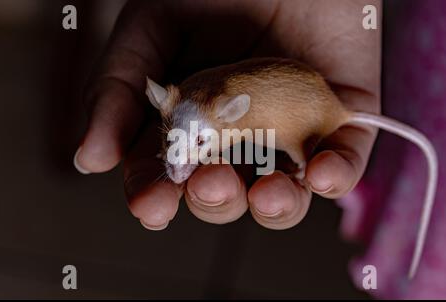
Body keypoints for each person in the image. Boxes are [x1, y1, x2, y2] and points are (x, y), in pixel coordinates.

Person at [73, 0, 381, 232]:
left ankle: (302, 160)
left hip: (306, 109)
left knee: (293, 138)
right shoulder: (188, 99)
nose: (179, 168)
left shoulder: (207, 105)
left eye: (200, 143)